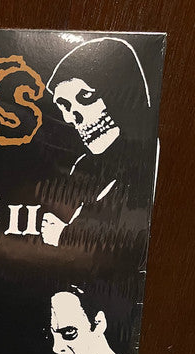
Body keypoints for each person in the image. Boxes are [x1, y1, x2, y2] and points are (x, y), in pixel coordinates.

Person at [40, 37, 155, 260]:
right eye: (64, 106)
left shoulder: (149, 161)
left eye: (86, 97)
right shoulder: (83, 167)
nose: (74, 117)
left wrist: (64, 236)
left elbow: (128, 241)